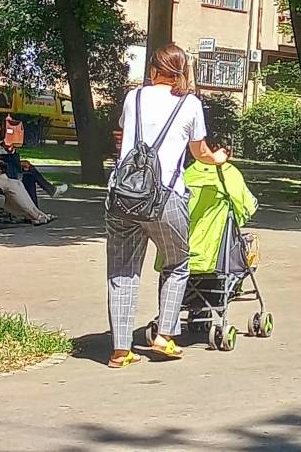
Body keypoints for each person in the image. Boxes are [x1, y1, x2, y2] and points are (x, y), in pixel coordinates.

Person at [105, 43, 228, 369]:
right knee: (177, 262)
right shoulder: (190, 104)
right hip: (165, 197)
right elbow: (199, 152)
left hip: (122, 197)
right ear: (181, 71)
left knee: (122, 270)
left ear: (153, 69)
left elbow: (125, 133)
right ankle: (165, 336)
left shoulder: (135, 98)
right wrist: (217, 158)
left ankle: (120, 350)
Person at [0, 115, 68, 206]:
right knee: (28, 168)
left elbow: (2, 154)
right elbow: (2, 157)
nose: (0, 129)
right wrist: (19, 163)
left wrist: (8, 149)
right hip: (3, 172)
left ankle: (35, 211)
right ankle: (49, 192)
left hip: (4, 170)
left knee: (29, 176)